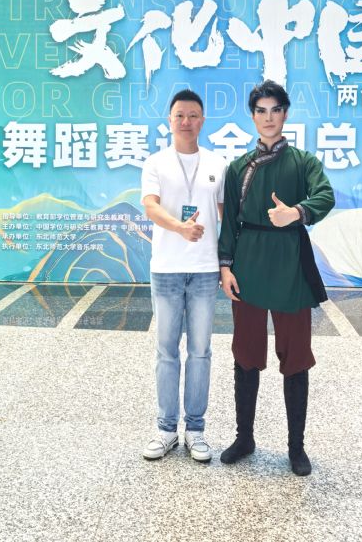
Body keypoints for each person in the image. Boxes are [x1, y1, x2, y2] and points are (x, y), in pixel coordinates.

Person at [218, 80, 335, 476]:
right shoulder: (238, 167)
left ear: (285, 114)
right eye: (260, 111)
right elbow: (229, 224)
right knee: (245, 354)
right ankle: (244, 437)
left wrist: (296, 213)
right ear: (253, 117)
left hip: (290, 266)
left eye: (275, 110)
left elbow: (325, 196)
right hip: (248, 265)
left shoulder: (303, 163)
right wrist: (225, 267)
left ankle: (296, 448)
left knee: (296, 357)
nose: (268, 118)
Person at [140, 89, 227, 462]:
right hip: (167, 270)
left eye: (193, 115)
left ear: (202, 121)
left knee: (200, 352)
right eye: (180, 115)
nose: (186, 121)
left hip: (205, 270)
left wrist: (229, 261)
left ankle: (195, 430)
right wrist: (180, 228)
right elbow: (150, 207)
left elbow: (226, 215)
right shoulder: (156, 163)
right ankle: (165, 430)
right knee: (166, 351)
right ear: (169, 120)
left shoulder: (218, 163)